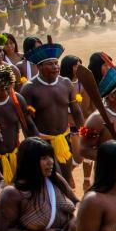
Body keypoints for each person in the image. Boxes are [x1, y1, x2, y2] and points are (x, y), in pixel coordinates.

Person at [19, 40, 84, 187]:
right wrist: (36, 143)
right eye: (50, 64)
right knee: (48, 181)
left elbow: (76, 111)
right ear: (39, 66)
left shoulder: (66, 83)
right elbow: (26, 120)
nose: (55, 67)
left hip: (64, 139)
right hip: (42, 141)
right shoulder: (29, 88)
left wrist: (84, 133)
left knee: (66, 177)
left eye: (56, 63)